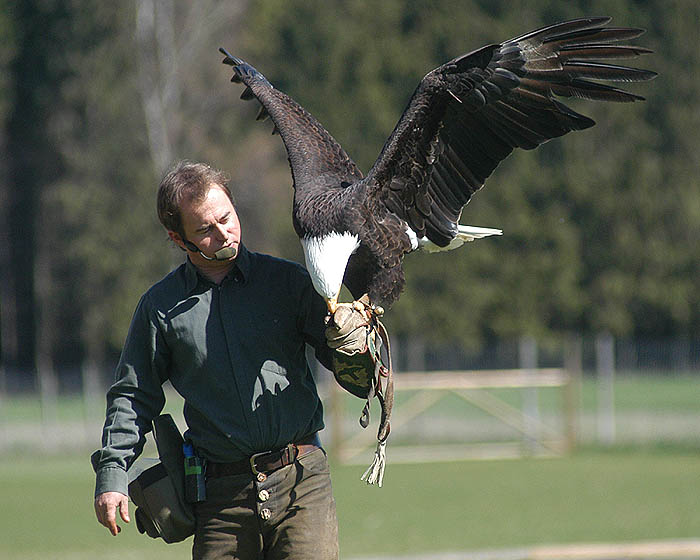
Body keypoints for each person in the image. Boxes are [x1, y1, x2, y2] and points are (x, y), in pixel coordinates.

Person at [92, 160, 378, 559]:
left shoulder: (290, 282)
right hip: (219, 498)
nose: (223, 232)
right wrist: (112, 474)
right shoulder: (160, 308)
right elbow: (133, 395)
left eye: (227, 218)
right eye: (205, 230)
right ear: (178, 239)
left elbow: (359, 379)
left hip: (301, 481)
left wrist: (356, 345)